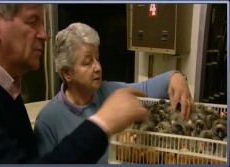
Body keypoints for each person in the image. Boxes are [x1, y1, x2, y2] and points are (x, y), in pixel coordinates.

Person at [0, 4, 149, 164]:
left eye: (43, 24)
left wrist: (174, 77)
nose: (44, 35)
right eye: (32, 22)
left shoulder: (8, 90)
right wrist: (102, 124)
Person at [34, 22, 193, 163]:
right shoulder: (48, 121)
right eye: (88, 62)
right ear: (66, 73)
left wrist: (176, 76)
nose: (97, 67)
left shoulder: (110, 91)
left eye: (98, 58)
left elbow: (148, 88)